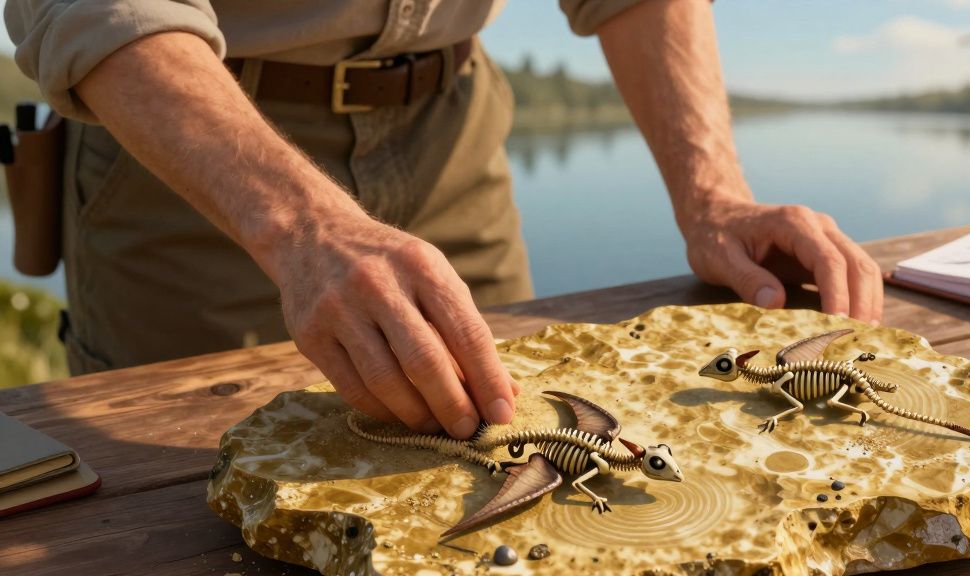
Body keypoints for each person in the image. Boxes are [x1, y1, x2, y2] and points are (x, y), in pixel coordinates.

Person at [6, 0, 884, 438]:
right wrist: (303, 227)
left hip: (451, 124)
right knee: (177, 530)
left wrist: (713, 193)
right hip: (200, 152)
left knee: (507, 436)